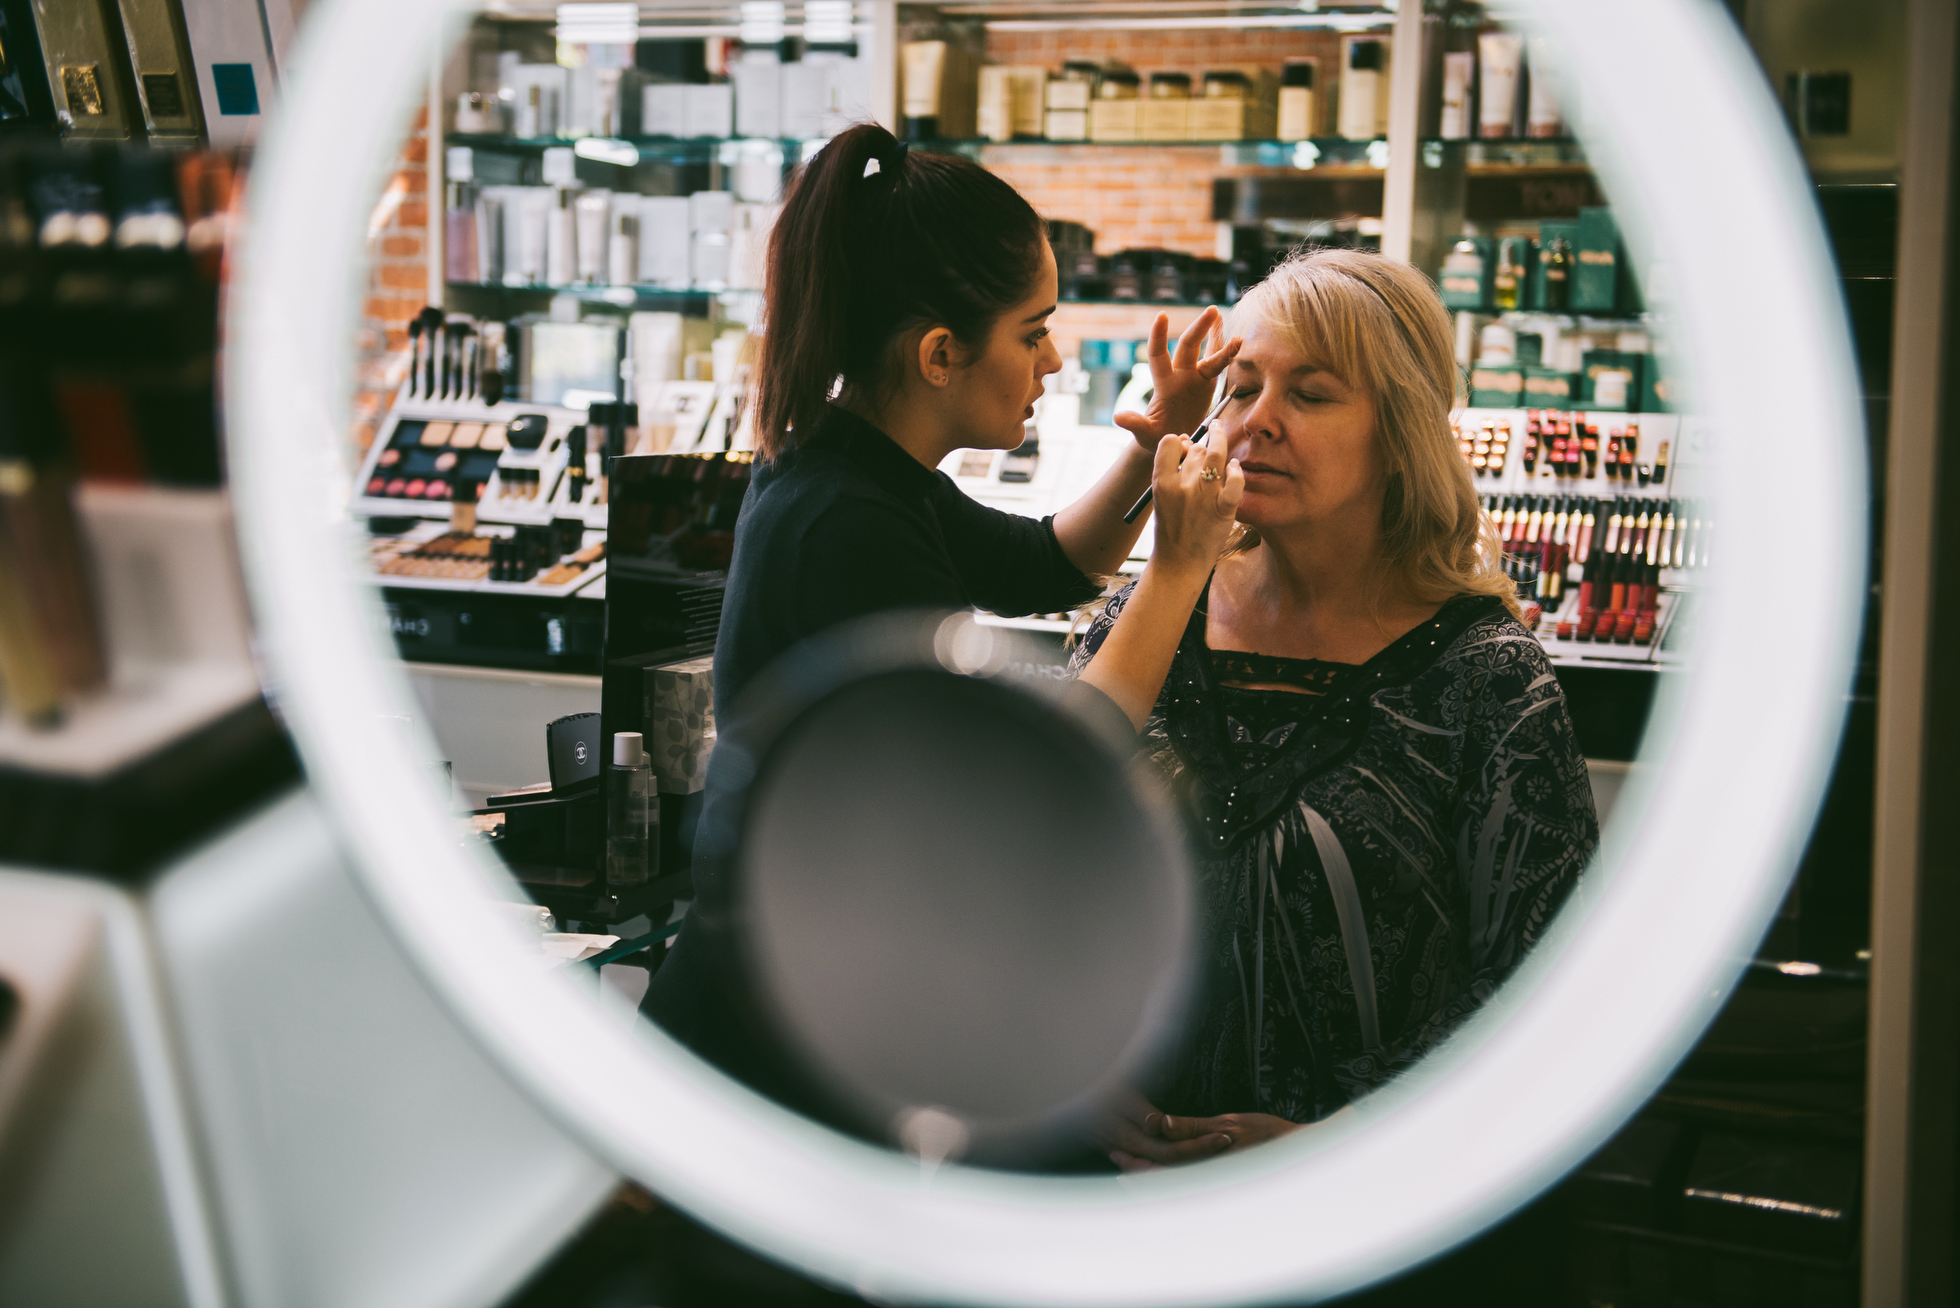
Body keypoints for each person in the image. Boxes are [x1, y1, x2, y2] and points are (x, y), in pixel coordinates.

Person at [640, 122, 1247, 1095]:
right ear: (938, 353)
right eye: (1033, 331)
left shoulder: (866, 468)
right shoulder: (845, 525)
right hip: (762, 1042)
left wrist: (1151, 447)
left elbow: (1048, 562)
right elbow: (1026, 781)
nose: (1051, 363)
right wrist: (1179, 570)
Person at [1072, 247, 1601, 1169]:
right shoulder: (1148, 616)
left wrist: (1334, 1148)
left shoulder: (1486, 678)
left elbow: (1549, 988)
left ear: (1400, 433)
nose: (1257, 422)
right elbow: (1020, 864)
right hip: (1103, 1195)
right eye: (1240, 388)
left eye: (1310, 396)